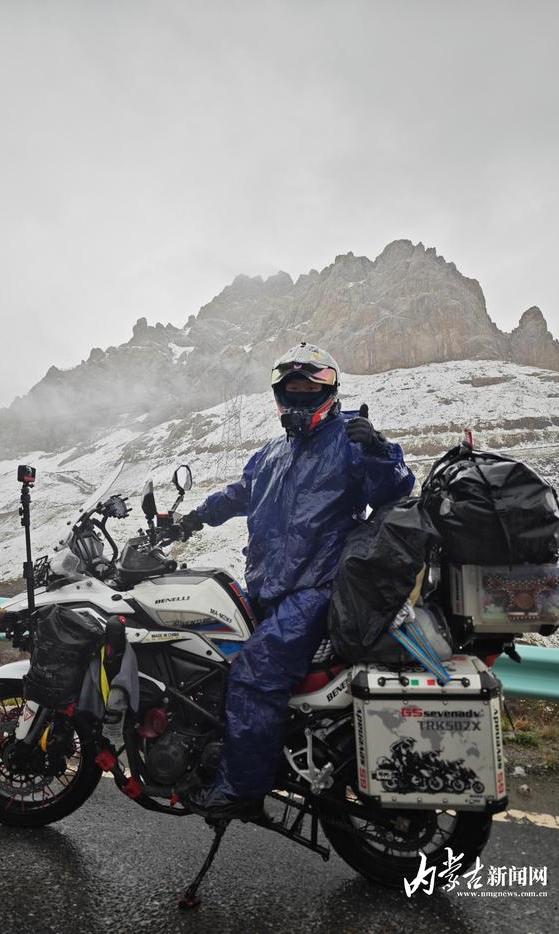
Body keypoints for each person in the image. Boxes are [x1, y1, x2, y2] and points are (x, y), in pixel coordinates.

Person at [179, 342, 415, 820]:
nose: (301, 395)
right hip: (268, 584)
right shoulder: (273, 451)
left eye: (311, 386)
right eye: (293, 387)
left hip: (315, 587)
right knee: (213, 652)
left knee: (254, 676)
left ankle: (241, 791)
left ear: (329, 390)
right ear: (280, 394)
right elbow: (239, 493)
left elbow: (395, 490)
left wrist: (378, 451)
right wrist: (190, 519)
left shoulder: (350, 440)